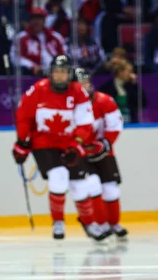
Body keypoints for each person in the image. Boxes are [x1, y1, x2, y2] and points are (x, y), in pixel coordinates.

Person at [12, 55, 111, 241]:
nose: (59, 76)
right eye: (56, 72)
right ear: (50, 73)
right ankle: (58, 222)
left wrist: (76, 144)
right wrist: (22, 142)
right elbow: (23, 115)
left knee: (80, 185)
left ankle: (89, 223)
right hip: (43, 142)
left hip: (68, 143)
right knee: (58, 176)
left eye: (63, 72)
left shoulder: (78, 93)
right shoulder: (38, 90)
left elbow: (84, 121)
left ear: (69, 74)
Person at [75, 68, 127, 238]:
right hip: (81, 154)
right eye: (79, 84)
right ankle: (101, 224)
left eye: (86, 82)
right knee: (92, 186)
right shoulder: (69, 105)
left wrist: (104, 144)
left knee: (111, 189)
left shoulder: (105, 101)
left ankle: (114, 223)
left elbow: (115, 126)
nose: (84, 87)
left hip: (104, 152)